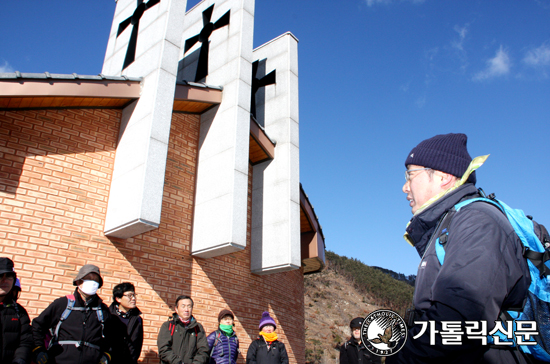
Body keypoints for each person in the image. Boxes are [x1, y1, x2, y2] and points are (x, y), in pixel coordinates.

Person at [386, 133, 530, 364]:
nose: (405, 187)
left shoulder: (477, 221)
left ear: (443, 176)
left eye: (410, 175)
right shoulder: (451, 225)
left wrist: (402, 360)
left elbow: (458, 317)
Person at [32, 264, 114, 364]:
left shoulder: (103, 310)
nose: (92, 282)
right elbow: (38, 325)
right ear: (78, 281)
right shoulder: (62, 304)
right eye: (88, 278)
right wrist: (39, 349)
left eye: (95, 279)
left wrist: (107, 354)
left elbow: (111, 336)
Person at [157, 295, 209, 364]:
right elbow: (164, 350)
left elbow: (203, 350)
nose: (186, 309)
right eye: (183, 306)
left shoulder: (198, 327)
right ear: (176, 309)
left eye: (189, 306)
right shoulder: (168, 326)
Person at [0, 257, 32, 364]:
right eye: (0, 276)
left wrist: (20, 360)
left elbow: (25, 342)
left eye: (9, 276)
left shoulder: (20, 312)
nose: (5, 280)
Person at [109, 282, 143, 364]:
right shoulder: (108, 315)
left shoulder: (138, 319)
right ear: (118, 299)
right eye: (129, 296)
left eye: (134, 295)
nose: (133, 298)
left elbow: (138, 345)